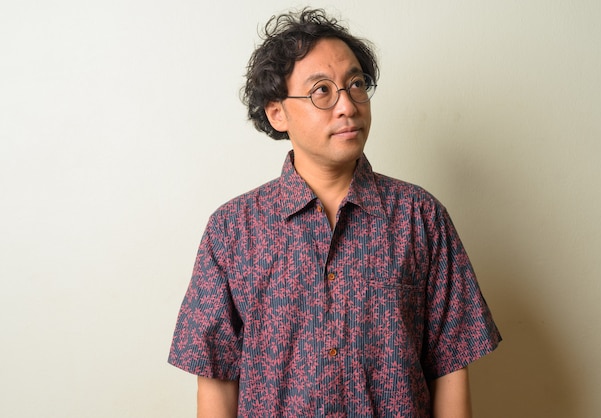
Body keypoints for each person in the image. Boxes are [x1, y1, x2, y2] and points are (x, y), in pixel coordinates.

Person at [168, 8, 501, 418]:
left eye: (356, 84)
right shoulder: (232, 229)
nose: (347, 105)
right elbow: (216, 376)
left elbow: (450, 365)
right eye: (321, 91)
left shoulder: (420, 217)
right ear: (277, 112)